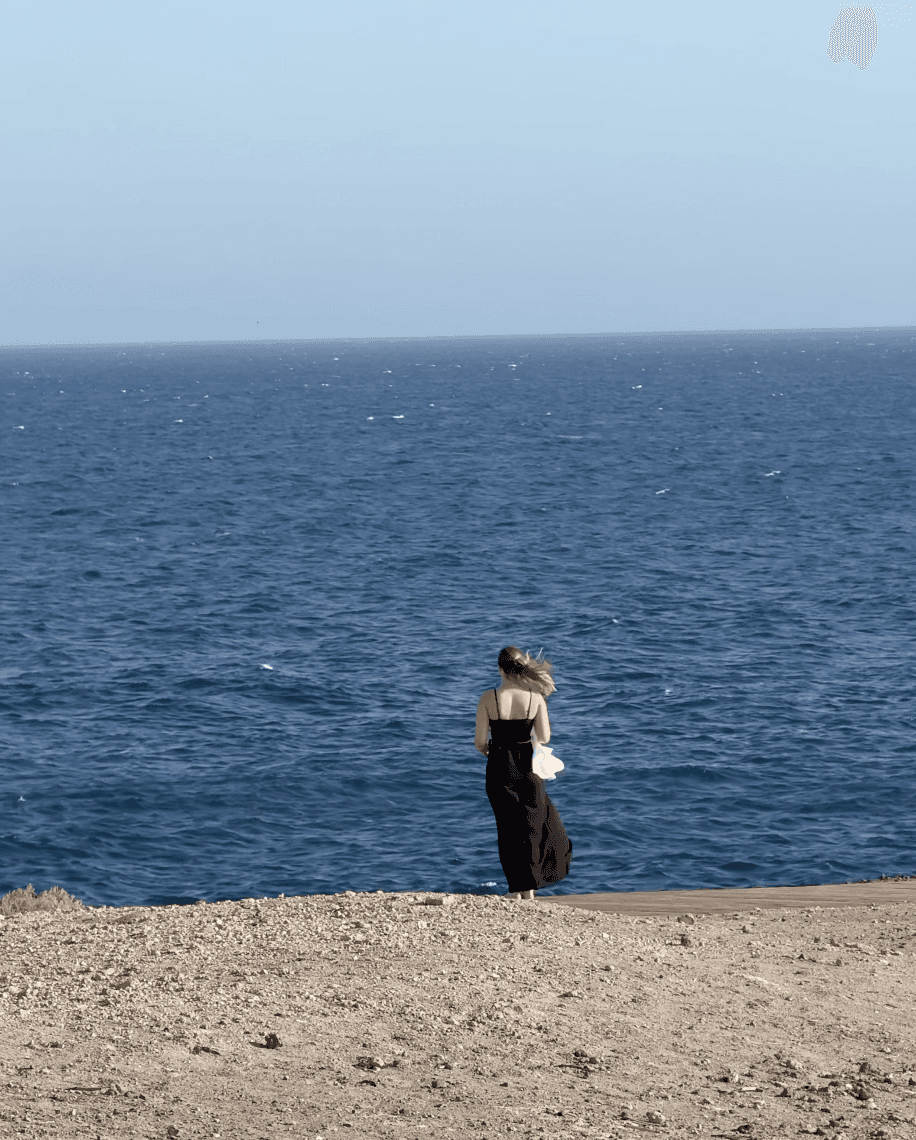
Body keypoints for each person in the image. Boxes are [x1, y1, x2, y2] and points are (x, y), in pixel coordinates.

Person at [475, 646, 572, 900]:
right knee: (533, 825)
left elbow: (478, 742)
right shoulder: (535, 697)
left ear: (499, 669)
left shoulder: (489, 698)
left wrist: (489, 750)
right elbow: (544, 736)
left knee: (507, 828)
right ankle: (528, 890)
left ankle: (515, 890)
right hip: (528, 766)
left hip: (499, 766)